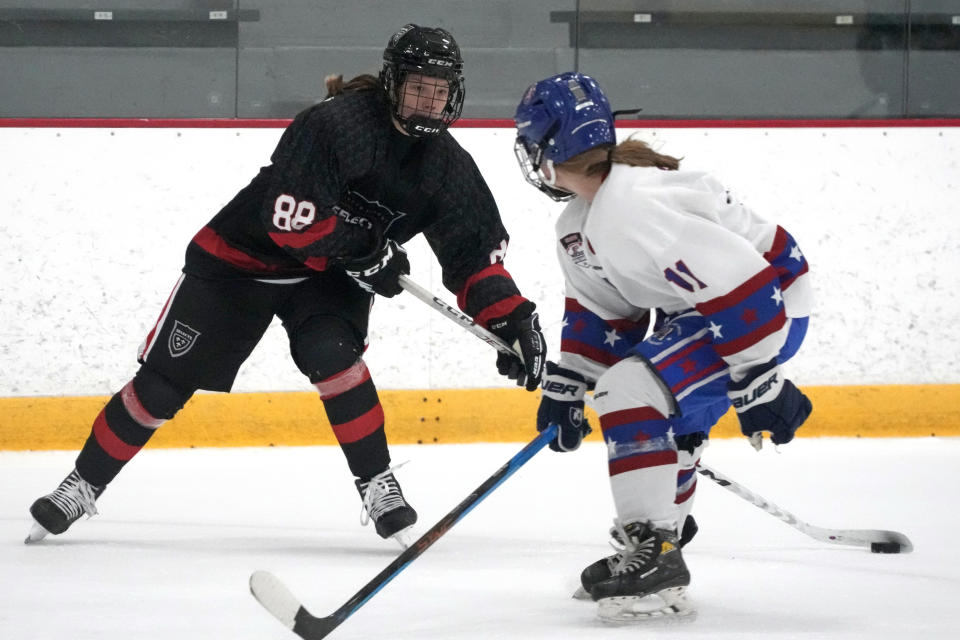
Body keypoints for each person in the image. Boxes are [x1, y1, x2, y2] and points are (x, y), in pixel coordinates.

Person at [26, 24, 546, 547]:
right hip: (246, 256)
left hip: (331, 274)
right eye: (417, 87)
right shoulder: (335, 125)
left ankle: (378, 483)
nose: (428, 102)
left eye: (439, 91)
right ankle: (83, 483)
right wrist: (366, 248)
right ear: (392, 82)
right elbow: (290, 222)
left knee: (334, 358)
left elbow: (473, 258)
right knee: (165, 384)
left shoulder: (448, 169)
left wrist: (509, 316)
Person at [514, 72, 813, 621]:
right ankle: (660, 539)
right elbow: (606, 314)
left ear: (551, 149)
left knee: (631, 388)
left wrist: (757, 380)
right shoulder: (578, 224)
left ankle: (656, 552)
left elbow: (742, 285)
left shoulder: (634, 207)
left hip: (765, 307)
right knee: (643, 393)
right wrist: (571, 381)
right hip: (714, 310)